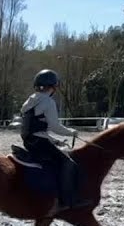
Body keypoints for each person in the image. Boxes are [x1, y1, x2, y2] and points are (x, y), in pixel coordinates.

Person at [18, 69, 82, 211]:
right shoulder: (48, 101)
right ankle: (66, 201)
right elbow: (54, 126)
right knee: (68, 163)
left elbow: (37, 127)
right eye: (55, 87)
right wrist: (71, 132)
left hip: (29, 140)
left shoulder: (31, 99)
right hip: (39, 142)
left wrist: (54, 141)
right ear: (52, 87)